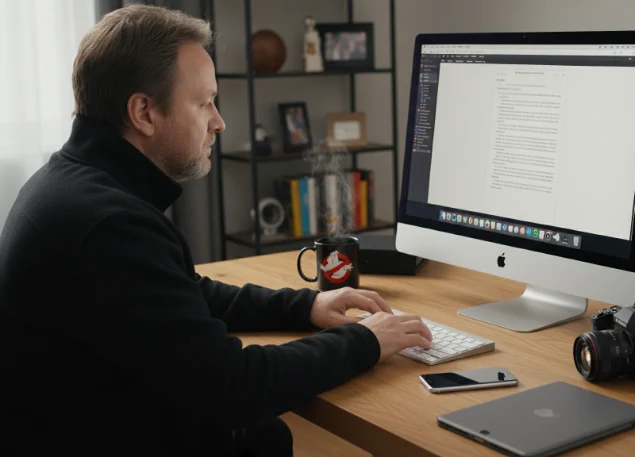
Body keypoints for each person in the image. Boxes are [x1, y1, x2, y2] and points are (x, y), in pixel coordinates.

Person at [0, 5, 432, 457]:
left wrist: (307, 306)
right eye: (204, 102)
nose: (219, 122)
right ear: (144, 112)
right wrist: (364, 340)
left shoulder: (73, 182)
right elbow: (235, 388)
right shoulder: (110, 225)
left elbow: (180, 293)